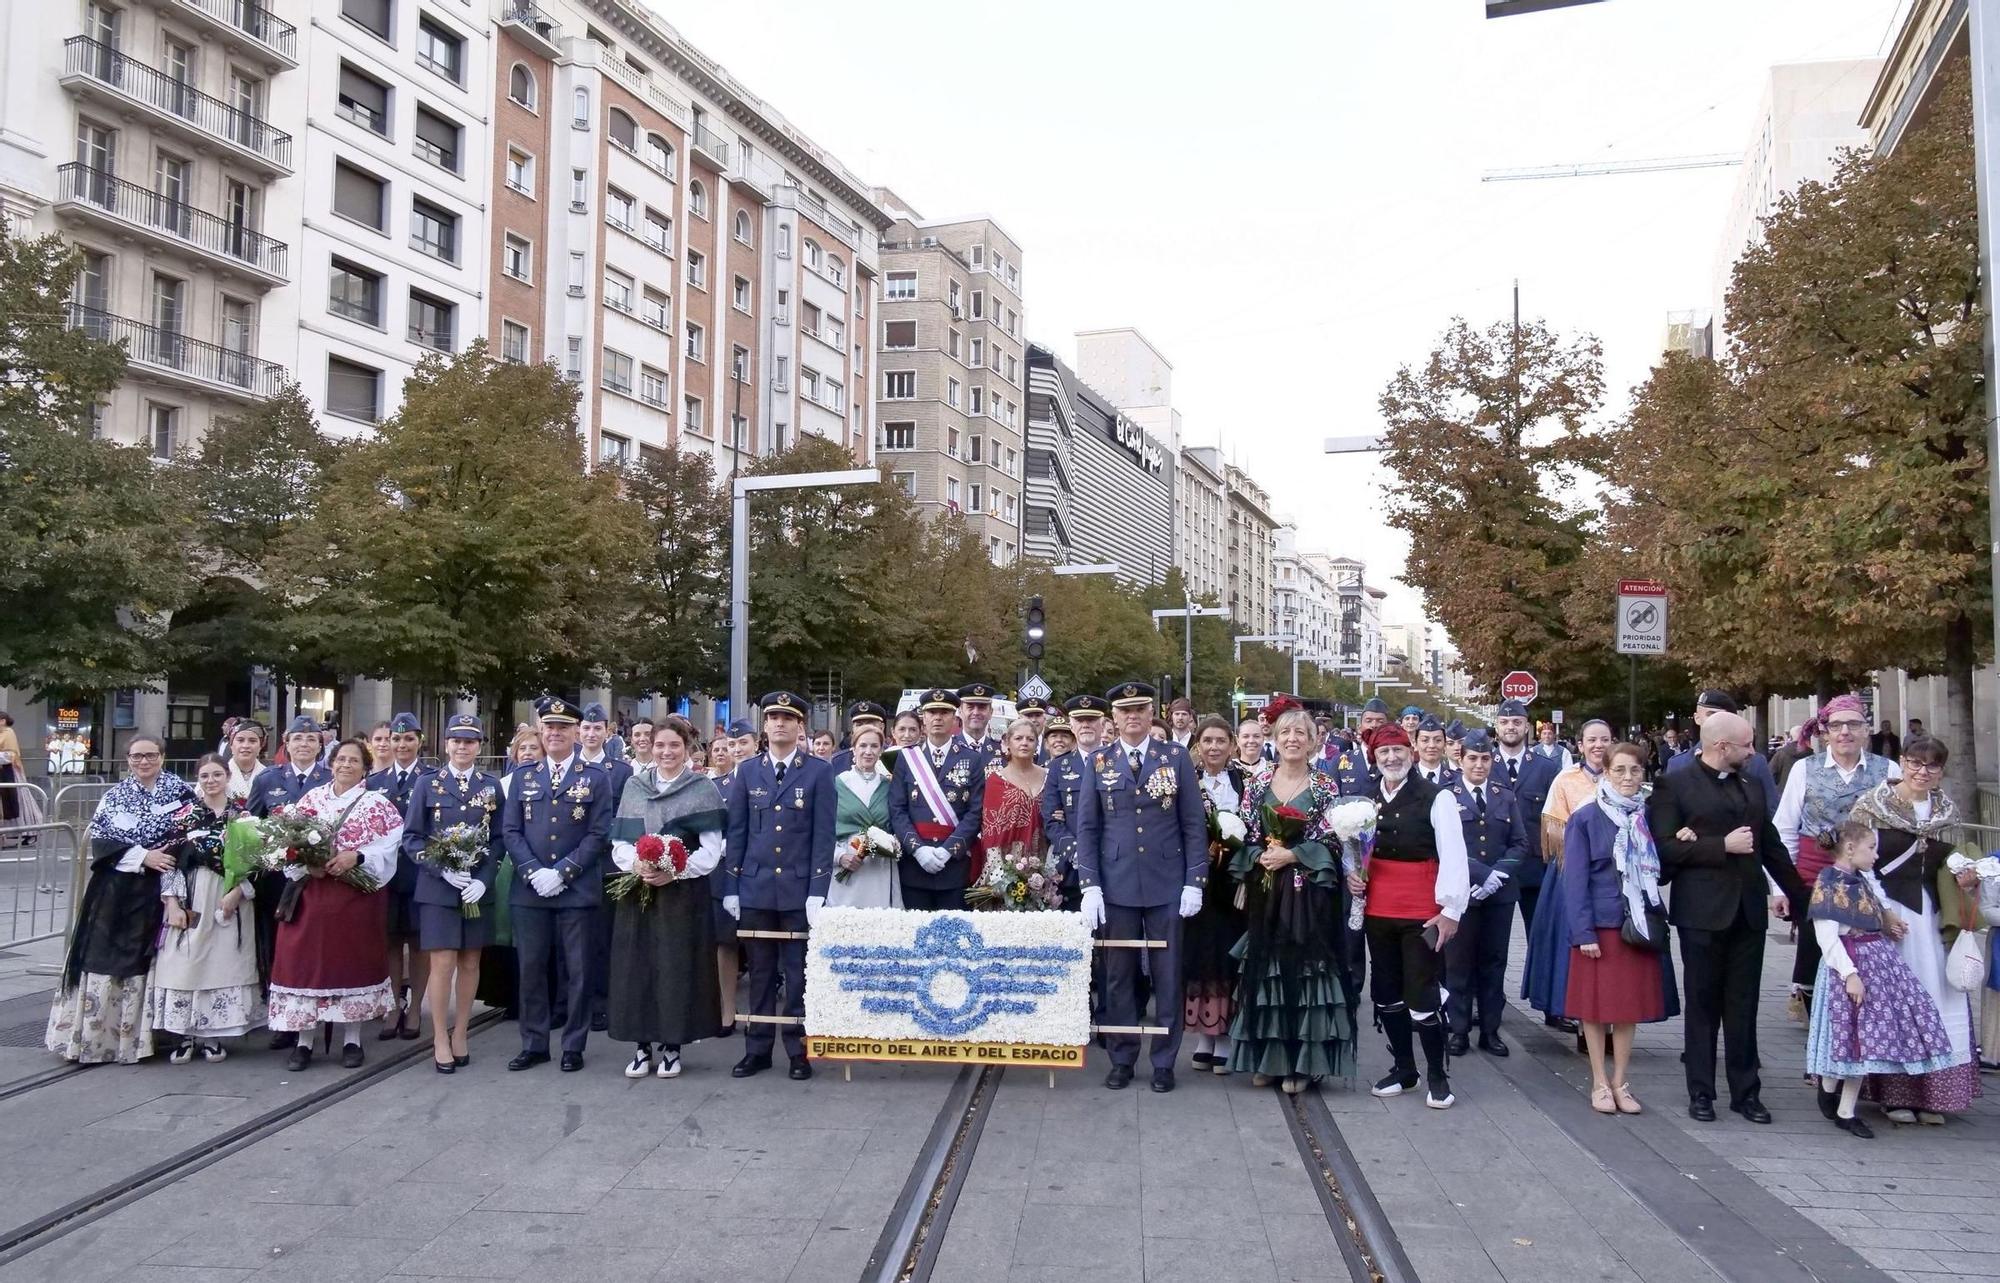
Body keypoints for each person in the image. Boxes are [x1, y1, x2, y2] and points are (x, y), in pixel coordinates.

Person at [1650, 711, 1806, 1123]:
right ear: (1722, 746)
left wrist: (1804, 901)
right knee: (1702, 1005)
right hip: (1701, 913)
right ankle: (1701, 1091)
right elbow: (1662, 850)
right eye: (1747, 745)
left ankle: (1746, 1091)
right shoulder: (1675, 785)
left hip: (1748, 913)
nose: (1753, 752)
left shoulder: (1752, 786)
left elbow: (1771, 847)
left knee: (1743, 1005)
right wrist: (1721, 846)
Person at [1077, 681, 1207, 1093]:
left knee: (1169, 975)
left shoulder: (1176, 757)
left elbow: (1192, 822)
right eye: (1124, 711)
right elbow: (1088, 827)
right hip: (1116, 885)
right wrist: (1090, 884)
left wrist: (1194, 881)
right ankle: (1121, 1056)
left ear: (1153, 715)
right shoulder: (1099, 761)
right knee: (1118, 976)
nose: (1132, 717)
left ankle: (1165, 1061)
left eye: (1140, 709)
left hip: (1167, 882)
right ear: (1112, 719)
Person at [1847, 736, 1983, 1122]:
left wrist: (1967, 876)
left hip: (1932, 911)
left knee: (1937, 991)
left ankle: (1933, 1094)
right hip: (1887, 909)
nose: (1923, 772)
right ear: (1902, 762)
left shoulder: (1945, 810)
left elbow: (1952, 862)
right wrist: (1880, 913)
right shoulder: (1873, 806)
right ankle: (1895, 1091)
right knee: (1894, 996)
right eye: (1915, 763)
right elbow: (1856, 863)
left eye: (1933, 766)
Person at [1226, 705, 1353, 1092]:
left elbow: (1333, 837)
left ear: (1314, 741)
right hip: (1268, 889)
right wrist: (1259, 857)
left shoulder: (1325, 785)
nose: (1293, 739)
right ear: (1274, 739)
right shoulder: (1259, 780)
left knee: (1304, 968)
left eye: (1301, 733)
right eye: (1286, 733)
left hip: (1308, 891)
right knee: (1267, 969)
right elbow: (1247, 831)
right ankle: (1268, 1057)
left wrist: (1295, 855)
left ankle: (1302, 1063)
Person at [1804, 819, 1957, 1138]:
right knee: (1851, 1038)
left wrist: (1887, 922)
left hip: (1877, 963)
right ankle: (1833, 1093)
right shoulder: (1830, 883)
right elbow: (1828, 937)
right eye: (1870, 848)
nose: (1875, 855)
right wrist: (1850, 974)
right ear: (1849, 848)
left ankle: (1842, 1105)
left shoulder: (1861, 878)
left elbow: (1876, 901)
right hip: (1851, 964)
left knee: (1865, 1039)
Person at [46, 735, 191, 1063]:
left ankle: (150, 1037)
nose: (144, 762)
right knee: (103, 955)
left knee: (154, 959)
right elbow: (102, 841)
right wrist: (143, 856)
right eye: (137, 756)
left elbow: (189, 836)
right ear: (127, 759)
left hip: (162, 887)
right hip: (116, 888)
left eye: (151, 755)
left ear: (162, 757)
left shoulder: (181, 792)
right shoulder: (115, 795)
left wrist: (163, 863)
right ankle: (98, 1038)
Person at [268, 738, 405, 1071]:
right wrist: (305, 861)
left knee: (350, 963)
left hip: (355, 898)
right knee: (306, 964)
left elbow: (390, 847)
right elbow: (290, 840)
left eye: (354, 760)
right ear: (331, 763)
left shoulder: (377, 804)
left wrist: (356, 856)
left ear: (365, 768)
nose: (346, 765)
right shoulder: (311, 798)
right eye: (341, 759)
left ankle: (352, 1039)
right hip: (312, 895)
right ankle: (303, 1041)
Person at [723, 691, 835, 1081]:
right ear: (764, 726)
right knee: (760, 973)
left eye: (788, 718)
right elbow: (736, 831)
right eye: (773, 717)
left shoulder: (819, 772)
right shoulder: (748, 771)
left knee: (798, 975)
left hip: (797, 889)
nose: (780, 724)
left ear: (800, 725)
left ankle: (798, 1050)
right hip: (755, 887)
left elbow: (823, 836)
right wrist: (732, 886)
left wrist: (818, 890)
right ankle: (757, 1049)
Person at [609, 715, 726, 1080]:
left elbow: (712, 849)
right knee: (637, 968)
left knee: (675, 969)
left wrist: (675, 869)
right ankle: (641, 1046)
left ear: (687, 748)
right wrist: (639, 865)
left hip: (682, 894)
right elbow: (619, 842)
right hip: (639, 891)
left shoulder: (701, 787)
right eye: (660, 745)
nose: (666, 751)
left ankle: (673, 1047)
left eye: (674, 745)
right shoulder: (635, 785)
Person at [1359, 723, 1470, 1109]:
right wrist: (1353, 877)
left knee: (1422, 993)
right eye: (1384, 753)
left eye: (1398, 751)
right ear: (1375, 758)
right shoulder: (1366, 799)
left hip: (1421, 909)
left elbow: (1454, 855)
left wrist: (1451, 910)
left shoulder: (1435, 797)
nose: (1392, 758)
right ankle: (1404, 1069)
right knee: (1386, 992)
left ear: (1412, 753)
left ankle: (1438, 1076)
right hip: (1378, 908)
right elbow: (1356, 853)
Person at [501, 696, 613, 1073]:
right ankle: (533, 1043)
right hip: (530, 890)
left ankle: (573, 1044)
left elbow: (599, 834)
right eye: (549, 727)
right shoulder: (523, 775)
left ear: (576, 733)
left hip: (576, 889)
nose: (554, 734)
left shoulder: (595, 777)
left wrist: (563, 872)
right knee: (531, 969)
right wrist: (533, 871)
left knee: (578, 971)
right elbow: (511, 830)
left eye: (562, 728)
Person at [1562, 742, 1673, 1116]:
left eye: (1635, 770)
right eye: (1620, 770)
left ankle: (1621, 1081)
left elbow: (1661, 869)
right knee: (1594, 1010)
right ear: (1606, 772)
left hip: (1636, 925)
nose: (1628, 777)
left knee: (1626, 1009)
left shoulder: (1648, 816)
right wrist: (1583, 933)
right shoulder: (1586, 817)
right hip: (1601, 926)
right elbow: (1575, 881)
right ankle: (1598, 1081)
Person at [1773, 694, 1898, 1021]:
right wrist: (1780, 888)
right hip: (1814, 871)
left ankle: (1863, 1022)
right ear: (1824, 731)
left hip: (1867, 874)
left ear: (1866, 730)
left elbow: (1897, 829)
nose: (1845, 732)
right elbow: (1784, 829)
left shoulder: (1888, 770)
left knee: (1863, 947)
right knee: (1817, 946)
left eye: (1853, 724)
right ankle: (1820, 1033)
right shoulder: (1805, 769)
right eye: (1837, 725)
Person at [402, 714, 501, 1074]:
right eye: (456, 741)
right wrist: (439, 867)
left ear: (479, 746)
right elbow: (412, 837)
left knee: (471, 962)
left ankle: (461, 1032)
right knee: (442, 963)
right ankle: (439, 1038)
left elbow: (500, 838)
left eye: (470, 741)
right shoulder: (428, 785)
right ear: (446, 745)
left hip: (475, 888)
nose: (463, 747)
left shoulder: (491, 786)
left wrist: (484, 879)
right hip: (438, 889)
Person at [151, 754, 264, 1062]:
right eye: (205, 776)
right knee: (186, 960)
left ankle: (213, 1034)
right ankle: (186, 1034)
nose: (211, 781)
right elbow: (169, 863)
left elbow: (257, 863)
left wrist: (238, 892)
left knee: (222, 962)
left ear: (227, 777)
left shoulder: (243, 815)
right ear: (198, 780)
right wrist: (172, 903)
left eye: (217, 775)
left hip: (229, 894)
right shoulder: (184, 815)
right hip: (191, 893)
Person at [1522, 720, 1617, 1038]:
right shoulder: (1566, 780)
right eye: (1592, 739)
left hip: (1613, 876)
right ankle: (1571, 1009)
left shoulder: (1620, 777)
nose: (1598, 745)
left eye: (1604, 739)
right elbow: (1552, 828)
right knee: (1571, 942)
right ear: (1580, 743)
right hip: (1572, 871)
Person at [246, 716, 333, 1050]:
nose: (304, 745)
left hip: (316, 880)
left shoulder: (330, 778)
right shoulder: (268, 779)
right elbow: (253, 826)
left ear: (320, 744)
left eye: (311, 739)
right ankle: (284, 1020)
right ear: (286, 742)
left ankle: (320, 1013)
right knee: (281, 950)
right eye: (298, 739)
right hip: (278, 882)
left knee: (315, 949)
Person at [1443, 731, 1529, 1058]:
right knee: (1459, 963)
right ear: (1460, 760)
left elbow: (1520, 842)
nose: (1479, 765)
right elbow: (1444, 845)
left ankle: (1491, 1031)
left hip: (1499, 895)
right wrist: (1481, 874)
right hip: (1462, 893)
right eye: (1472, 758)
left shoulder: (1504, 796)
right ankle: (1459, 1030)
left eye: (1485, 759)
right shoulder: (1447, 796)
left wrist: (1498, 875)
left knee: (1493, 963)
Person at [1186, 715, 1249, 1072]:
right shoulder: (1187, 780)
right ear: (1198, 744)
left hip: (1233, 880)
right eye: (1207, 740)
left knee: (1228, 954)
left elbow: (1255, 826)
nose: (1214, 747)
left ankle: (1224, 1034)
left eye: (1220, 741)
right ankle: (1203, 1034)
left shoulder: (1244, 781)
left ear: (1232, 745)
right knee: (1200, 953)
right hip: (1199, 879)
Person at [888, 689, 986, 910]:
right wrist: (918, 850)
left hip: (954, 866)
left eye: (944, 712)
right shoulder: (906, 758)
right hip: (914, 865)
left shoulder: (972, 759)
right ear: (924, 717)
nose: (938, 718)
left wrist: (949, 850)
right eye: (932, 712)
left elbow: (976, 811)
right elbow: (897, 809)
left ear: (955, 717)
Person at [368, 712, 430, 1043]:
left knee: (420, 944)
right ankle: (392, 1006)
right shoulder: (375, 783)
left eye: (408, 738)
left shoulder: (430, 778)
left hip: (421, 873)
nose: (401, 744)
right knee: (389, 943)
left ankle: (416, 1007)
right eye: (396, 738)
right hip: (386, 876)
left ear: (420, 741)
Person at [1492, 699, 1563, 945]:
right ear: (1496, 727)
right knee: (1493, 944)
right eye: (1504, 722)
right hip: (1494, 867)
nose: (1510, 727)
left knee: (1540, 939)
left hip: (1534, 867)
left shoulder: (1547, 768)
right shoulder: (1483, 765)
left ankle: (1537, 984)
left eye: (1516, 722)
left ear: (1526, 727)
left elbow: (1554, 819)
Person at [1668, 690, 1778, 819]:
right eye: (1710, 715)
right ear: (1697, 718)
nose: (1715, 721)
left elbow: (1771, 810)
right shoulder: (1678, 764)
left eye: (1721, 716)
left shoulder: (1755, 762)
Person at [828, 724, 899, 909]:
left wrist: (893, 845)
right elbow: (822, 829)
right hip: (847, 863)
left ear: (881, 750)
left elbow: (898, 823)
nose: (868, 751)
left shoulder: (889, 785)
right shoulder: (837, 783)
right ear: (854, 748)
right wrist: (839, 856)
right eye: (863, 745)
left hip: (879, 868)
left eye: (874, 746)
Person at [976, 717, 1048, 895]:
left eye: (1030, 739)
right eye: (1018, 738)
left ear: (1037, 744)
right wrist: (1000, 875)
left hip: (1044, 863)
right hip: (1006, 868)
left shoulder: (1049, 776)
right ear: (1007, 742)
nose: (1024, 743)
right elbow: (990, 830)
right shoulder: (994, 780)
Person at [1332, 699, 1387, 794]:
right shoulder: (1341, 762)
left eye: (1380, 721)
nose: (1374, 725)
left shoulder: (1397, 761)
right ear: (1360, 727)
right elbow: (1332, 801)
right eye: (1368, 721)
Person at [829, 700, 889, 773]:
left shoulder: (893, 758)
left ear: (882, 727)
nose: (864, 729)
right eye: (859, 725)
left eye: (870, 723)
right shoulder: (838, 761)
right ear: (853, 728)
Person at [956, 682, 1003, 763]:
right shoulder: (949, 749)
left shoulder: (1002, 750)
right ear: (960, 711)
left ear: (991, 712)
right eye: (970, 707)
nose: (976, 712)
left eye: (982, 707)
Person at [224, 721, 267, 805]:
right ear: (231, 745)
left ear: (260, 746)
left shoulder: (269, 775)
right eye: (240, 740)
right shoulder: (217, 774)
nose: (246, 745)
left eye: (252, 741)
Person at [1412, 716, 1456, 788]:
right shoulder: (1406, 778)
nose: (1432, 745)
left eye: (1438, 740)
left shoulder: (1457, 779)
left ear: (1445, 744)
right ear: (1415, 744)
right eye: (1425, 740)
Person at [0, 711, 21, 828]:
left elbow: (11, 755)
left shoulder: (8, 733)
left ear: (3, 721)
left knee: (13, 800)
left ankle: (25, 832)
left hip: (9, 771)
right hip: (2, 772)